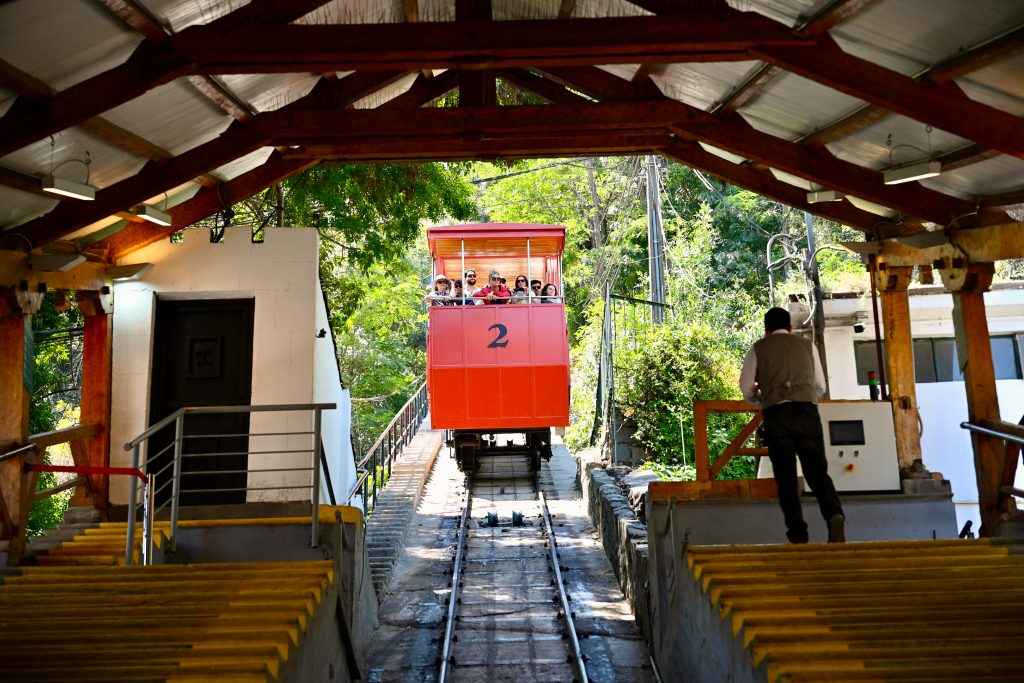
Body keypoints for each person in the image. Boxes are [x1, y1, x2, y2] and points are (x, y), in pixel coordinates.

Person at [739, 307, 845, 544]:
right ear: (790, 328)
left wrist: (761, 398)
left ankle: (798, 535)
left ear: (766, 330)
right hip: (806, 413)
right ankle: (834, 515)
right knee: (817, 473)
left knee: (786, 479)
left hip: (777, 416)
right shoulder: (807, 346)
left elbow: (746, 386)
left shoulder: (759, 348)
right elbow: (820, 385)